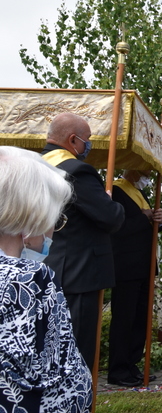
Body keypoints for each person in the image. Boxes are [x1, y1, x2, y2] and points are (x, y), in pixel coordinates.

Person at [0, 146, 93, 412]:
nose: (54, 230)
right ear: (30, 223)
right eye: (55, 220)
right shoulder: (28, 280)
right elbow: (62, 389)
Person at [41, 112, 125, 367]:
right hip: (78, 272)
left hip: (44, 266)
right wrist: (110, 202)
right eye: (87, 139)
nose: (89, 145)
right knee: (76, 348)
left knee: (49, 344)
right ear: (73, 140)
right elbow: (110, 217)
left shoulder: (35, 166)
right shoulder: (77, 171)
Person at [107, 169, 162, 387]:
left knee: (140, 320)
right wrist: (144, 217)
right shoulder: (117, 190)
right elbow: (119, 228)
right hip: (126, 266)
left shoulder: (141, 193)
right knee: (124, 320)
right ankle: (118, 370)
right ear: (133, 171)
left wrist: (160, 220)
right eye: (145, 173)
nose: (148, 177)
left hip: (145, 265)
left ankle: (132, 365)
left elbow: (150, 226)